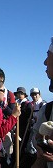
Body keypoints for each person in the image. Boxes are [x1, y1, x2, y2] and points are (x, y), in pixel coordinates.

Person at [32, 37, 53, 168]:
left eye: (48, 55)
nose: (45, 62)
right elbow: (37, 136)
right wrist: (41, 144)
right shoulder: (48, 109)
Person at [14, 87, 34, 167]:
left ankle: (21, 163)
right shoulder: (17, 103)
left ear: (25, 95)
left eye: (21, 93)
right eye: (19, 93)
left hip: (24, 129)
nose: (19, 95)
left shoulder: (28, 104)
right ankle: (16, 161)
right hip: (17, 127)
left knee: (22, 146)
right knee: (17, 146)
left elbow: (28, 117)